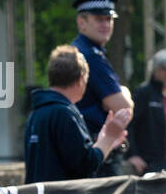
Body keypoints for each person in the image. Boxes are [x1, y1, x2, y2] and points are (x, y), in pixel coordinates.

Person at [24, 46, 132, 184]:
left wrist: (104, 144)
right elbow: (85, 165)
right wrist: (109, 138)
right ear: (81, 78)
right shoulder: (65, 114)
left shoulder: (37, 112)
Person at [70, 0, 133, 177]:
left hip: (93, 149)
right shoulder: (90, 56)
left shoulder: (85, 51)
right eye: (99, 19)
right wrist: (125, 92)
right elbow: (123, 108)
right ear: (82, 23)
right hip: (97, 153)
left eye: (109, 19)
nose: (105, 24)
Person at [127, 50, 166, 174]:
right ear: (155, 70)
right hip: (154, 164)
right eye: (164, 69)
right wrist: (132, 154)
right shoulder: (144, 93)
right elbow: (129, 124)